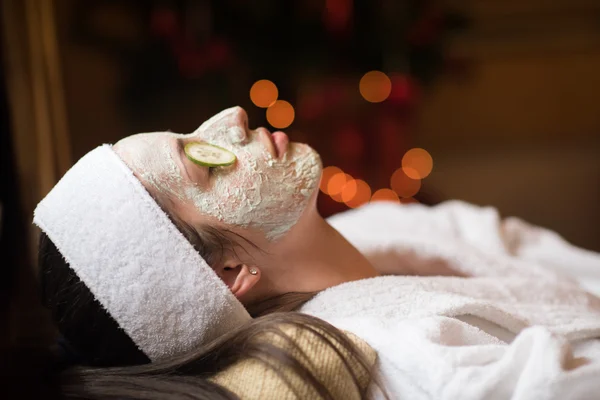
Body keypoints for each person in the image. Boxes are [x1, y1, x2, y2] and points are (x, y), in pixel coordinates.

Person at [37, 106, 600, 399]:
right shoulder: (414, 359)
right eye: (201, 160)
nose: (232, 117)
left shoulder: (384, 224)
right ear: (231, 272)